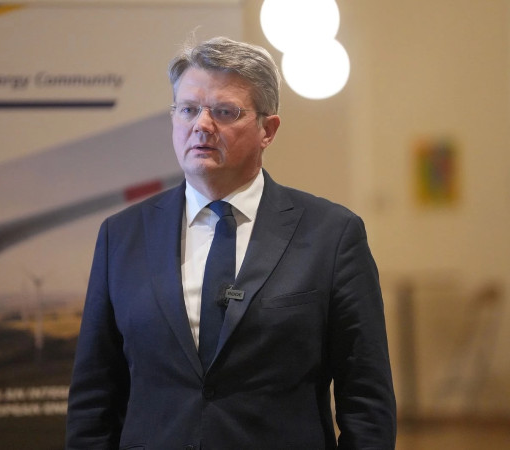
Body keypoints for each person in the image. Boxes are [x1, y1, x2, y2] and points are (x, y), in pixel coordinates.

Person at [66, 36, 396, 449]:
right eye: (188, 109)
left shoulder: (332, 235)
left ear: (267, 130)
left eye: (224, 112)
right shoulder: (122, 235)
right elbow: (94, 398)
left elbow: (366, 400)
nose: (201, 125)